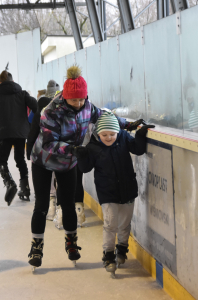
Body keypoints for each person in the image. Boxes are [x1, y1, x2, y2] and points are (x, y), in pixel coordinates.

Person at [27, 65, 144, 269]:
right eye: (74, 100)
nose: (79, 103)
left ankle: (71, 242)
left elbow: (107, 118)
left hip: (69, 160)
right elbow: (48, 143)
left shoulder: (88, 107)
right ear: (65, 96)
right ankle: (36, 247)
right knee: (42, 205)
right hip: (43, 160)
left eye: (82, 99)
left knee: (69, 202)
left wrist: (128, 125)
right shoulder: (51, 112)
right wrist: (73, 149)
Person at [75, 111, 154, 277]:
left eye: (112, 134)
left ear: (118, 132)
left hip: (127, 190)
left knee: (124, 224)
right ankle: (108, 255)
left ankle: (122, 249)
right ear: (98, 134)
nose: (109, 138)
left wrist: (140, 134)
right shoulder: (93, 147)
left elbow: (138, 150)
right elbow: (85, 168)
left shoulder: (124, 138)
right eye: (104, 135)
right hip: (107, 191)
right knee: (110, 224)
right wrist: (81, 156)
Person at [0, 70, 37, 205]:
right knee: (20, 159)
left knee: (1, 161)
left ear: (0, 82)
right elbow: (36, 106)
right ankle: (25, 188)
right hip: (21, 133)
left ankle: (9, 183)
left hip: (4, 132)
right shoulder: (23, 94)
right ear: (12, 81)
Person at [27, 80, 60, 221]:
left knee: (49, 177)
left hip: (43, 149)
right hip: (60, 148)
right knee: (60, 176)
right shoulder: (63, 104)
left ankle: (51, 206)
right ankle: (59, 208)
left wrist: (29, 150)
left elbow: (31, 123)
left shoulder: (41, 103)